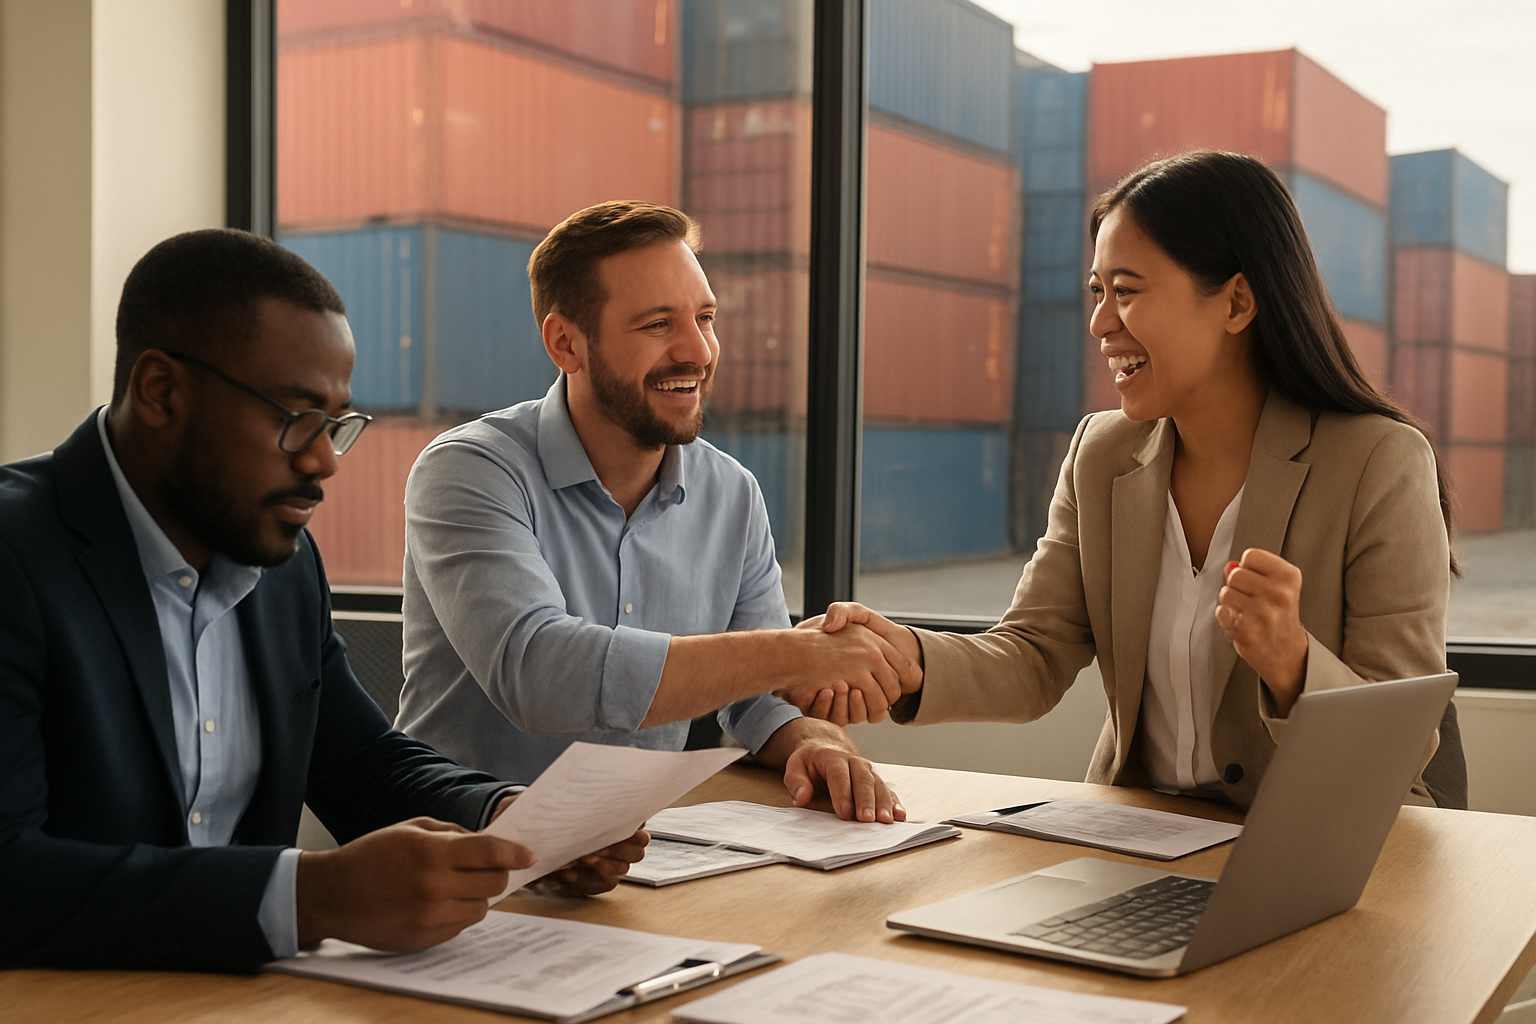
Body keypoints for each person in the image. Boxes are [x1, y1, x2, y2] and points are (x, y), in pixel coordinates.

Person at [0, 230, 645, 974]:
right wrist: (309, 898)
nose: (322, 462)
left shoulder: (278, 561)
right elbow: (11, 872)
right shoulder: (18, 558)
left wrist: (511, 819)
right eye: (295, 419)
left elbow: (357, 761)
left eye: (337, 425)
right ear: (160, 391)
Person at [791, 151, 1466, 809]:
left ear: (1236, 302)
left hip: (1316, 844)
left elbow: (1401, 745)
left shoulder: (1380, 462)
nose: (1100, 322)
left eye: (1128, 291)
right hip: (1142, 839)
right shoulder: (1101, 453)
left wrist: (1291, 659)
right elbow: (1034, 653)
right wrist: (909, 657)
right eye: (1097, 292)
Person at [396, 201, 916, 824]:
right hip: (462, 856)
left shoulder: (732, 493)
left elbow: (758, 699)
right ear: (566, 343)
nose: (697, 351)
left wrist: (812, 742)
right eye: (656, 325)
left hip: (634, 854)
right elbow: (538, 675)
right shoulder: (470, 470)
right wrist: (798, 655)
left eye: (705, 318)